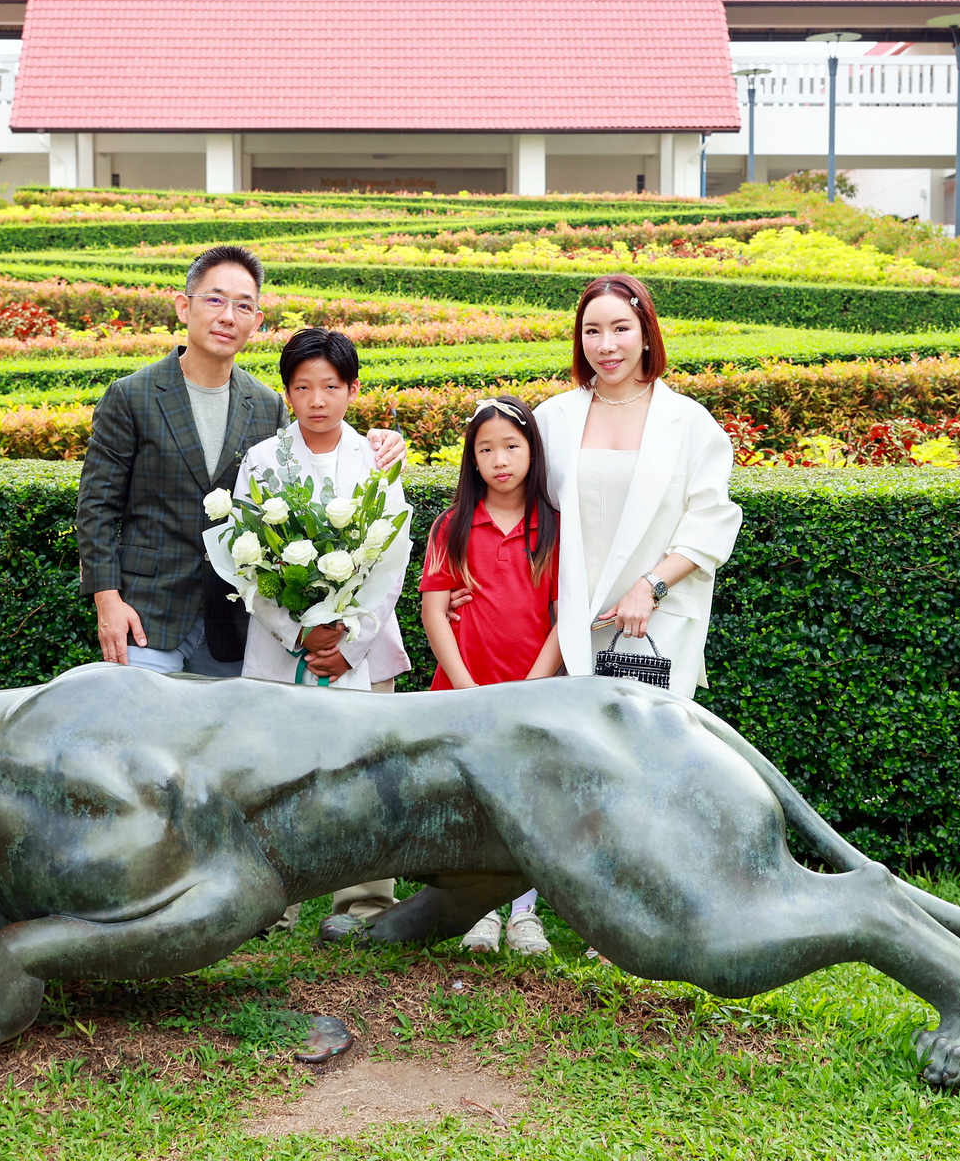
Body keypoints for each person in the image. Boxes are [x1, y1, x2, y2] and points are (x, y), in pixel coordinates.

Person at [75, 243, 405, 675]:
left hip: (235, 623)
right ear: (183, 306)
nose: (227, 316)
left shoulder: (267, 405)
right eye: (214, 299)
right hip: (147, 614)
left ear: (257, 321)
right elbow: (96, 506)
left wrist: (378, 438)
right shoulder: (131, 396)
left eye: (243, 305)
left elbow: (306, 473)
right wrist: (107, 599)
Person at [228, 327, 411, 942]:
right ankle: (271, 899)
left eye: (331, 386)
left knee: (362, 775)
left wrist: (346, 644)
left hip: (360, 648)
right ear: (288, 393)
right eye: (303, 387)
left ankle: (361, 904)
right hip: (284, 651)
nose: (317, 400)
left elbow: (390, 561)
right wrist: (297, 635)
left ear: (351, 389)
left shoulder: (376, 460)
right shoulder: (262, 461)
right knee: (278, 774)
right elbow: (245, 559)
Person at [533, 274, 742, 701]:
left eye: (620, 328)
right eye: (592, 331)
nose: (606, 345)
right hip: (564, 622)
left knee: (645, 755)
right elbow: (504, 495)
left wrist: (650, 587)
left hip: (649, 624)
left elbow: (712, 521)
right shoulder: (553, 417)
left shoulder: (688, 422)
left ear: (646, 334)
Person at [419, 394, 562, 957]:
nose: (500, 459)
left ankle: (525, 913)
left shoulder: (553, 527)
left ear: (532, 452)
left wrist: (531, 687)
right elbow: (434, 611)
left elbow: (562, 619)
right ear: (471, 460)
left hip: (534, 692)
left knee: (530, 802)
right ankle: (476, 910)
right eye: (485, 449)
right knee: (470, 802)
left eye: (511, 446)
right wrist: (466, 689)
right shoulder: (453, 525)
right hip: (465, 692)